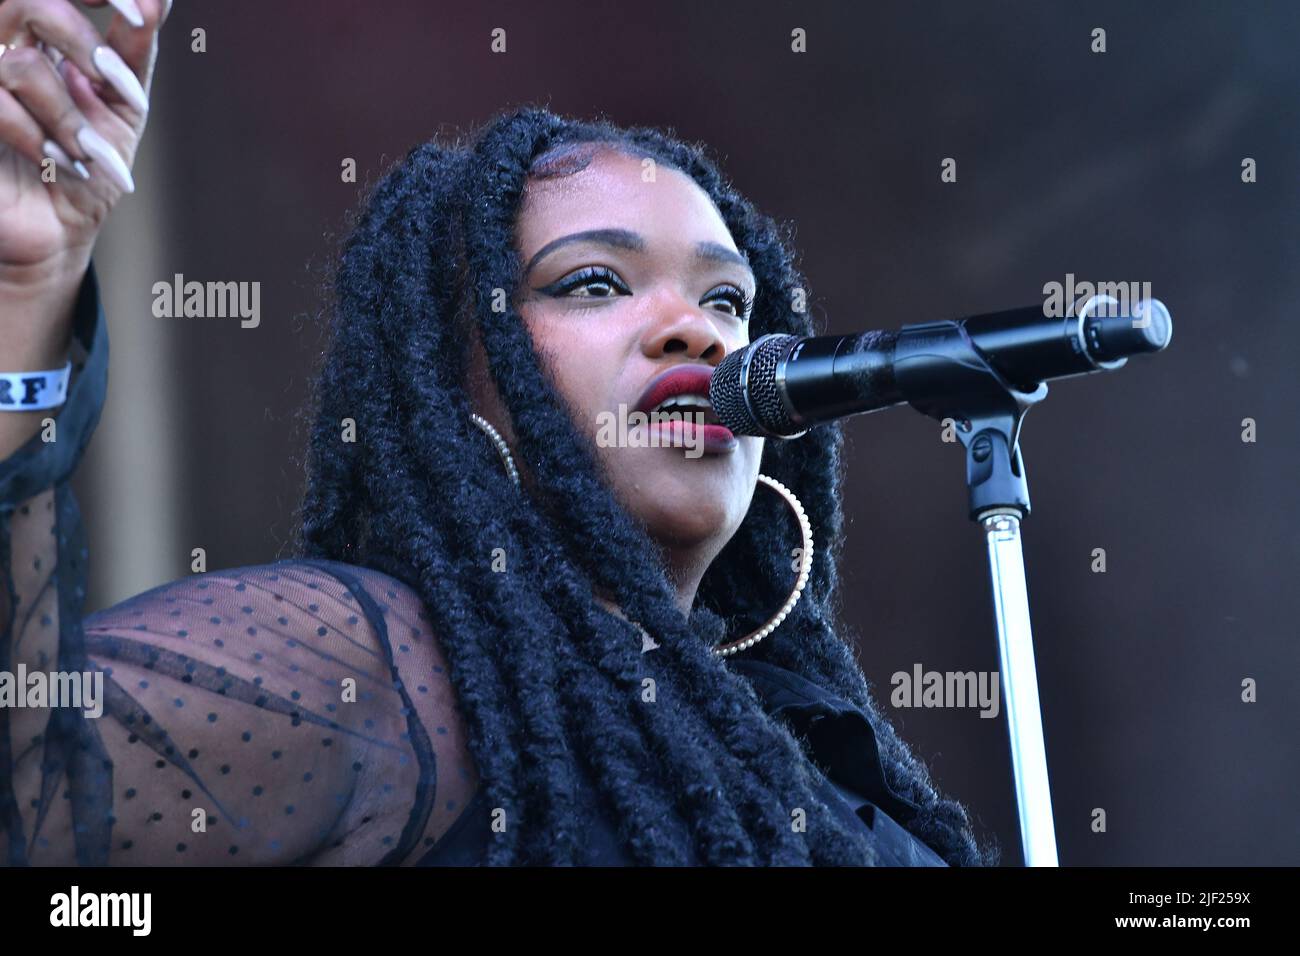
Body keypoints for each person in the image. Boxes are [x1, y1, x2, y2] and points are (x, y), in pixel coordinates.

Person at [0, 0, 999, 866]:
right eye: (594, 283)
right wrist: (24, 290)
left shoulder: (813, 750)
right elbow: (33, 791)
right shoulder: (390, 673)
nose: (698, 328)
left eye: (729, 300)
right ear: (457, 377)